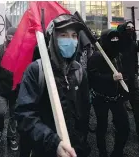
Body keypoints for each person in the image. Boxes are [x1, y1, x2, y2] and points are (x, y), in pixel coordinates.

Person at [15, 14, 91, 157]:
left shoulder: (79, 71)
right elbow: (24, 115)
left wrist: (81, 144)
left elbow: (84, 112)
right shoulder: (37, 70)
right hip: (43, 150)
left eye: (74, 36)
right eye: (64, 35)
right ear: (53, 39)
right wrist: (53, 143)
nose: (71, 41)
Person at [88, 29, 130, 157]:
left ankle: (117, 153)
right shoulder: (96, 56)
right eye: (112, 39)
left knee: (124, 127)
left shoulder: (118, 55)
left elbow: (124, 73)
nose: (115, 42)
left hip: (117, 97)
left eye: (117, 39)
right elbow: (91, 77)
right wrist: (110, 78)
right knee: (102, 126)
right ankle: (102, 153)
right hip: (100, 98)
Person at [117, 21, 139, 135]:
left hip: (132, 78)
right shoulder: (118, 45)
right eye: (128, 27)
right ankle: (121, 129)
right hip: (122, 79)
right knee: (120, 106)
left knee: (137, 105)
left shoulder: (134, 44)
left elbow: (135, 60)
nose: (131, 29)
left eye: (132, 28)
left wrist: (136, 72)